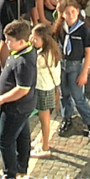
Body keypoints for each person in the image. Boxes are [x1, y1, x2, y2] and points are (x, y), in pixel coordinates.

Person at [0, 20, 37, 179]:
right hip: (23, 107)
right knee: (23, 135)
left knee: (4, 141)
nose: (7, 43)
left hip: (16, 107)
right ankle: (20, 169)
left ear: (22, 41)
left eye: (10, 40)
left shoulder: (24, 61)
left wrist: (2, 98)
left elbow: (22, 89)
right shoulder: (24, 51)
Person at [54, 0, 90, 139]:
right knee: (64, 94)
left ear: (78, 12)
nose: (70, 15)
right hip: (63, 64)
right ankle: (67, 118)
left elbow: (89, 51)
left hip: (76, 66)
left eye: (73, 11)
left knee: (78, 97)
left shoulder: (83, 29)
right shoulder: (61, 27)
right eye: (67, 13)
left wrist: (84, 73)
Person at [30, 23, 60, 159]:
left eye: (35, 38)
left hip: (43, 89)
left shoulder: (41, 57)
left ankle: (45, 147)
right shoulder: (52, 50)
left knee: (44, 119)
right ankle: (42, 139)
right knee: (44, 117)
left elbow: (30, 64)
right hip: (49, 87)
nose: (32, 39)